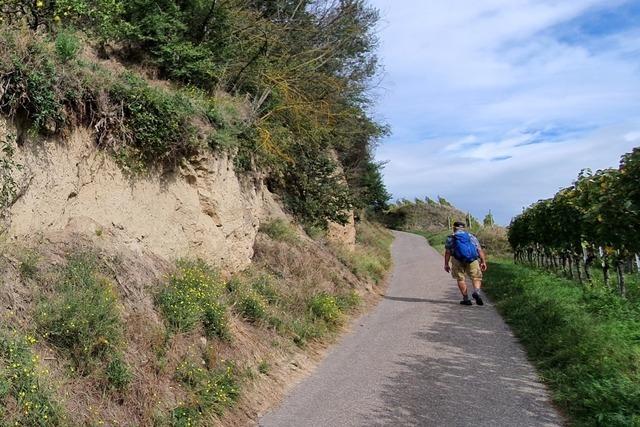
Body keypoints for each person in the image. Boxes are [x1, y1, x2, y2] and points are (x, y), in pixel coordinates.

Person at [444, 221, 488, 305]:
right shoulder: (471, 236)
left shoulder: (450, 238)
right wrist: (483, 262)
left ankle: (466, 299)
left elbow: (448, 252)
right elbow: (479, 250)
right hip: (472, 260)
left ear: (454, 228)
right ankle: (477, 292)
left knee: (460, 278)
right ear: (464, 229)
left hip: (457, 260)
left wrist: (446, 264)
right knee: (476, 277)